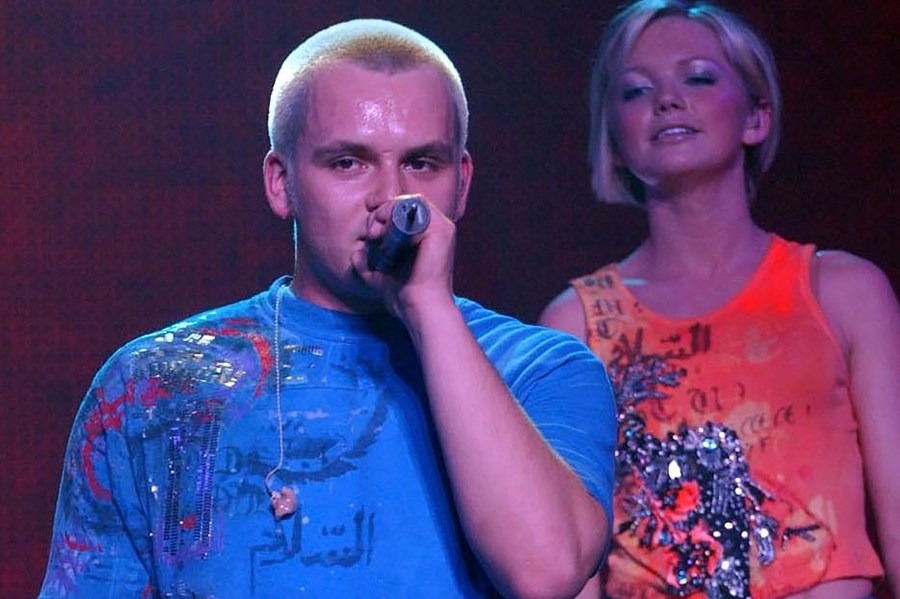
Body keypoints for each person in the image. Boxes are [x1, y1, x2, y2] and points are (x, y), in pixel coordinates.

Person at [39, 19, 617, 599]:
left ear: (461, 183)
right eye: (348, 162)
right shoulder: (152, 384)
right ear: (280, 182)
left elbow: (546, 574)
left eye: (422, 163)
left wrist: (427, 306)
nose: (391, 198)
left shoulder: (543, 368)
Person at [539, 1, 900, 598]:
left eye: (699, 77)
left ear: (756, 116)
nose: (667, 100)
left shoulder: (842, 292)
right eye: (635, 91)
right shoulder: (577, 323)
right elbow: (571, 557)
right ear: (616, 136)